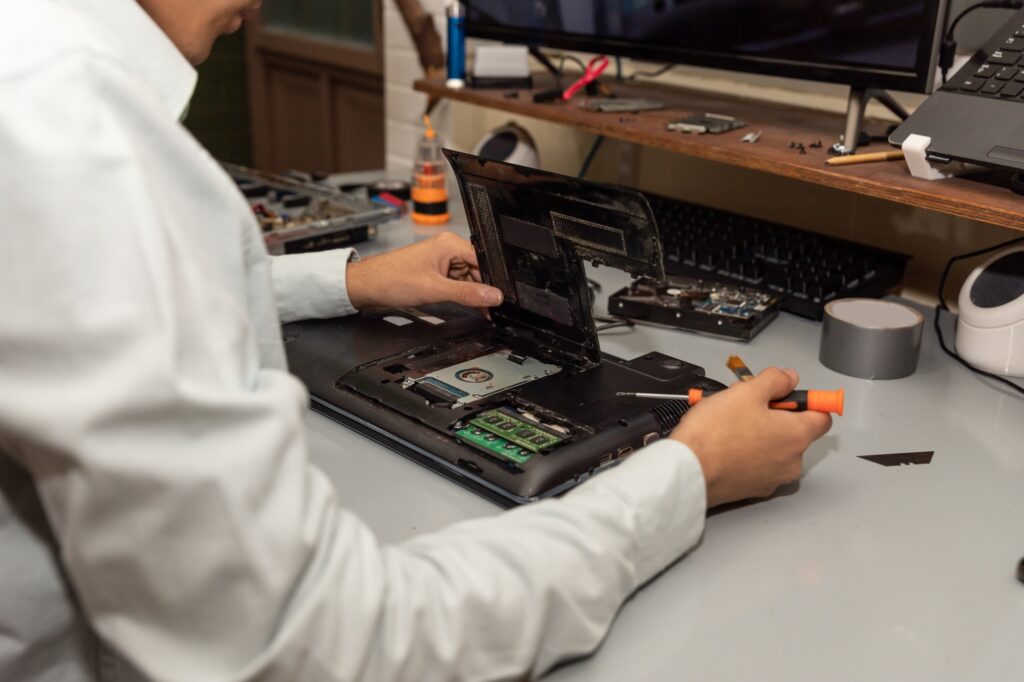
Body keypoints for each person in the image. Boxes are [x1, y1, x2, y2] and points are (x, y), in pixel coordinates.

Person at [0, 1, 832, 681]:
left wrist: (354, 281)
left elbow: (93, 293)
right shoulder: (86, 145)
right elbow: (329, 644)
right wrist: (688, 476)